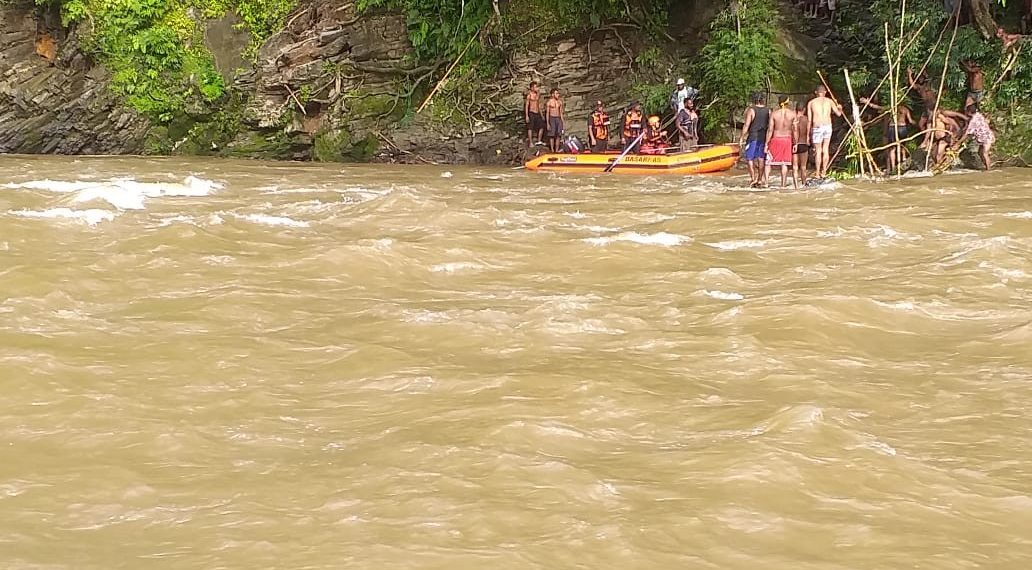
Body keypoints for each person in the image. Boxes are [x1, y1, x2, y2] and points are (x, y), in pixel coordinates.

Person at [860, 96, 915, 173]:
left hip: (892, 128)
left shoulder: (890, 108)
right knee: (902, 146)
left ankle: (893, 167)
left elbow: (877, 107)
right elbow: (911, 120)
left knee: (892, 148)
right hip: (902, 128)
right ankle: (903, 159)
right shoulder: (905, 109)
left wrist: (868, 103)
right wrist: (916, 124)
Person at [807, 85, 843, 179]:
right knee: (825, 149)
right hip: (827, 126)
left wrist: (808, 134)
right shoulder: (830, 101)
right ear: (825, 92)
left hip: (817, 126)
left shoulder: (811, 103)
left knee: (818, 151)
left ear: (816, 92)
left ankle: (818, 173)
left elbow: (810, 121)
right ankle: (824, 171)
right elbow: (839, 114)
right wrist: (840, 108)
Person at [765, 95, 797, 189]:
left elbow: (770, 130)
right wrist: (795, 143)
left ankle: (766, 182)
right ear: (787, 102)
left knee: (768, 162)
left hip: (776, 138)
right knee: (784, 163)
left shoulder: (774, 114)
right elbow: (795, 130)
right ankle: (783, 184)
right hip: (787, 140)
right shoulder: (792, 114)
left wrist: (766, 143)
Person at [740, 91, 770, 187]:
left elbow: (747, 125)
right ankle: (760, 179)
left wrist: (742, 137)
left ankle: (753, 178)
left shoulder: (751, 110)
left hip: (753, 136)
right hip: (763, 137)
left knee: (750, 158)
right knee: (761, 158)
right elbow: (770, 125)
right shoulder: (768, 110)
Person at [956, 104, 995, 170]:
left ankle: (989, 169)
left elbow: (966, 134)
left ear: (969, 112)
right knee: (980, 153)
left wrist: (957, 143)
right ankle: (986, 166)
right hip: (986, 137)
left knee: (985, 154)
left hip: (986, 139)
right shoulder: (978, 114)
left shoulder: (973, 122)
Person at [792, 102, 810, 186]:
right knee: (803, 167)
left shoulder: (793, 119)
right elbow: (810, 132)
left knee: (795, 167)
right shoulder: (806, 119)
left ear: (796, 109)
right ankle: (804, 184)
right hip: (803, 144)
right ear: (804, 109)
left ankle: (796, 186)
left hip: (794, 144)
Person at [524, 81, 545, 148]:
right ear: (532, 88)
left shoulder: (538, 95)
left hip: (537, 112)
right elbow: (527, 106)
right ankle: (530, 142)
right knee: (530, 128)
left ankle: (539, 141)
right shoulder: (529, 95)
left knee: (542, 126)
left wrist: (541, 115)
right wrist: (527, 115)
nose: (537, 88)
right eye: (536, 87)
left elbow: (538, 105)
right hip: (531, 112)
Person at [545, 88, 565, 153]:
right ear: (553, 94)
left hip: (558, 118)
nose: (558, 95)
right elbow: (547, 113)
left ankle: (556, 149)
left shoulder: (560, 102)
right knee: (552, 135)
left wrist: (562, 121)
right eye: (556, 93)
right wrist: (548, 123)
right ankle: (552, 150)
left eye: (558, 93)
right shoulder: (549, 102)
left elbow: (561, 112)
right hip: (552, 118)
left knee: (558, 135)